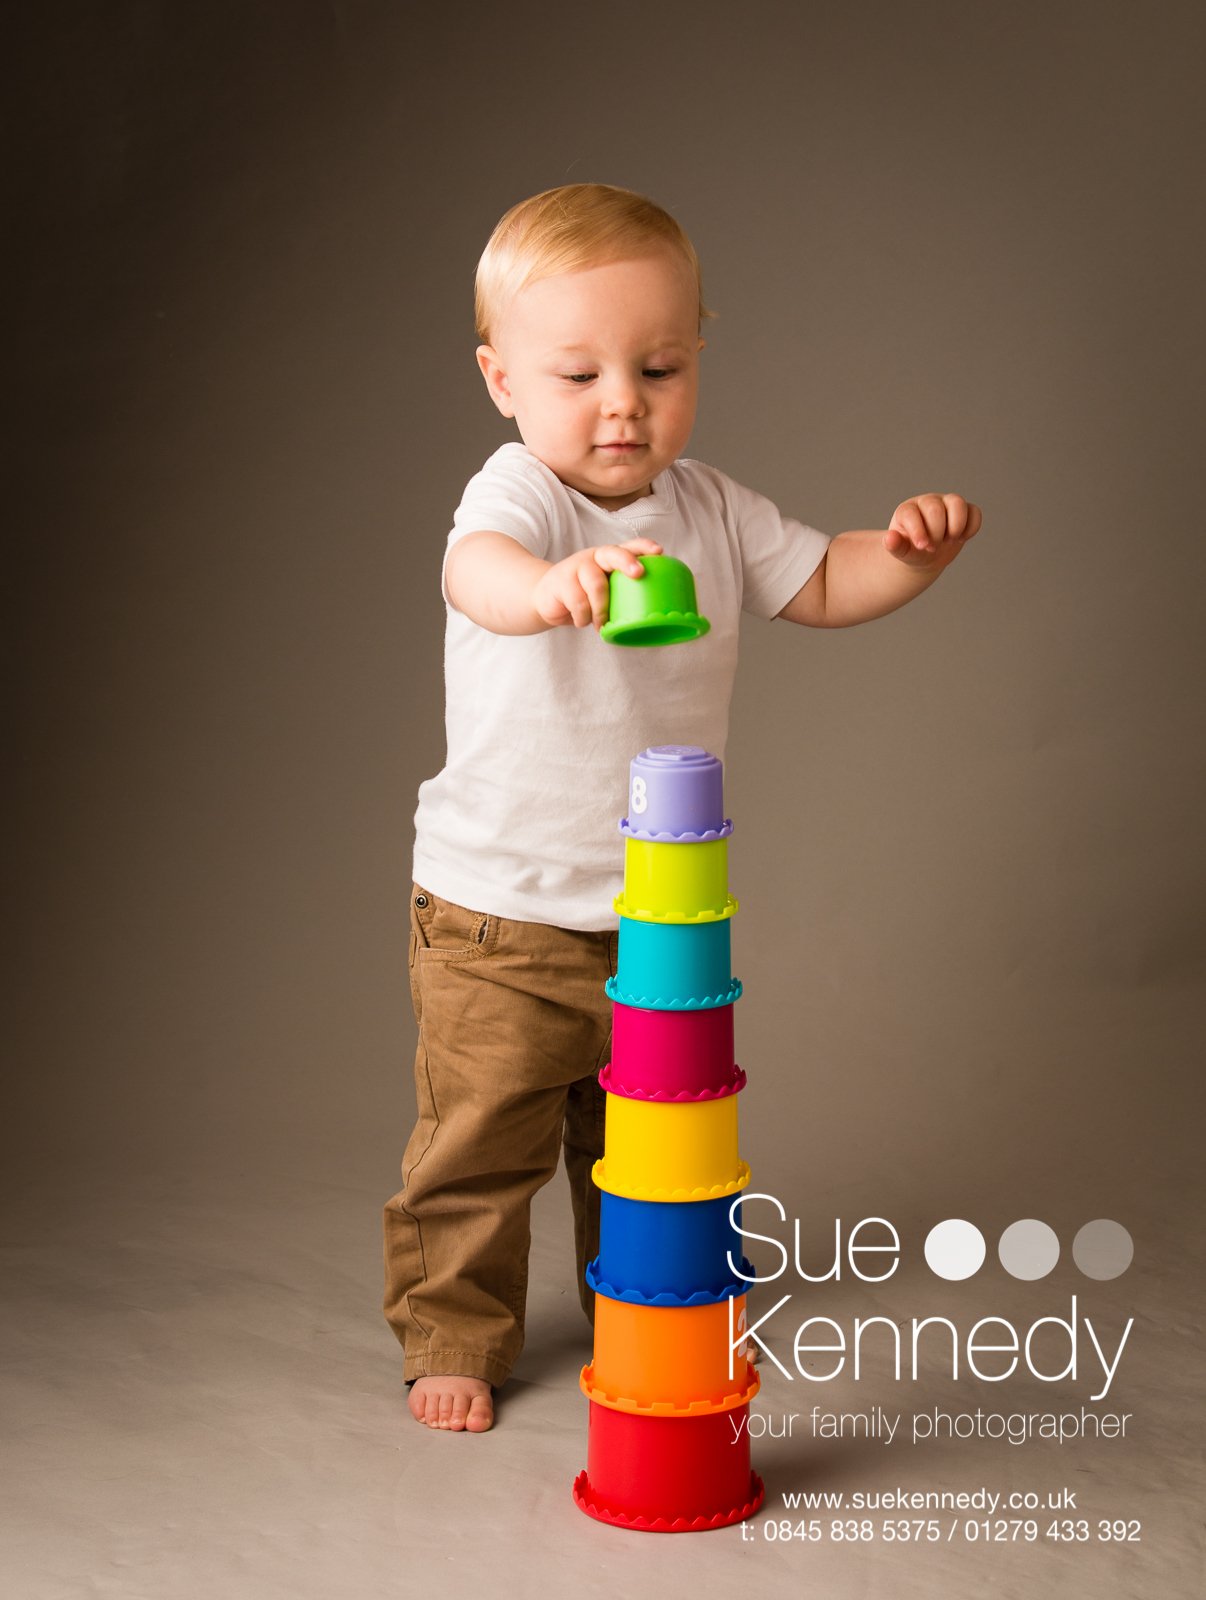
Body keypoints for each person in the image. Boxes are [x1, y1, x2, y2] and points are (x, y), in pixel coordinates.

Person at [383, 183, 982, 1434]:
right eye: (580, 372)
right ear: (503, 382)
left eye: (659, 366)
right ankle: (453, 1327)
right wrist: (552, 585)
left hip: (663, 922)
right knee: (480, 1144)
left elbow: (821, 580)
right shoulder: (522, 500)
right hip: (501, 912)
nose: (623, 402)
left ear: (696, 352)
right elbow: (475, 573)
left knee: (648, 1145)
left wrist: (907, 555)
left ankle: (645, 1305)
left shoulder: (710, 506)